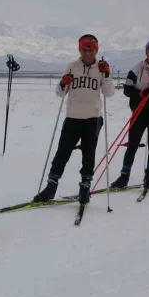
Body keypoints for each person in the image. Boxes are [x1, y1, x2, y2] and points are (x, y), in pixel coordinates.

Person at [33, 35, 114, 204]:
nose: (87, 53)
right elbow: (60, 92)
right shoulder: (72, 66)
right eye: (84, 49)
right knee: (62, 153)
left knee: (88, 154)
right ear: (79, 50)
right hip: (72, 117)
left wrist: (107, 75)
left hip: (93, 118)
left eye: (90, 49)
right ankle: (51, 186)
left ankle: (85, 186)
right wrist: (63, 83)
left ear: (95, 50)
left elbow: (109, 93)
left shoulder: (101, 68)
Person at [110, 38, 149, 190]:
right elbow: (127, 89)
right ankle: (124, 176)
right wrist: (140, 93)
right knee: (132, 144)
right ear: (146, 52)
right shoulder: (137, 68)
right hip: (139, 112)